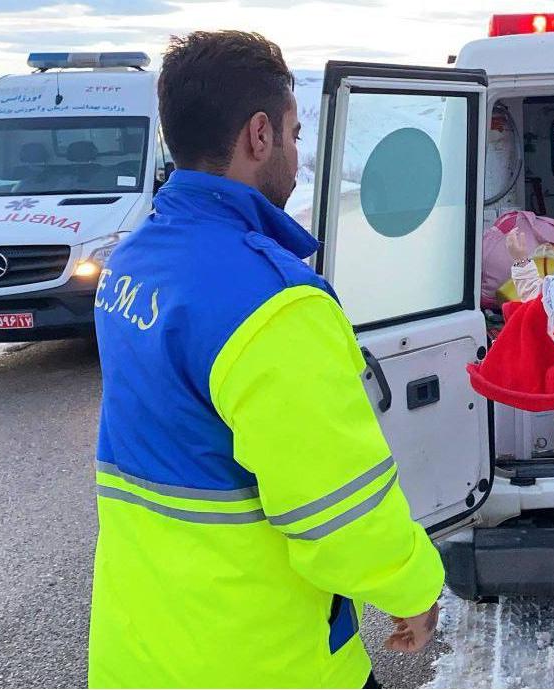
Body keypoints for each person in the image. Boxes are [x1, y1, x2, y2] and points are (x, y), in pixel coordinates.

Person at [88, 31, 442, 688]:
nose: (296, 153)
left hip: (137, 652)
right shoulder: (273, 305)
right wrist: (413, 588)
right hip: (260, 658)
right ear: (259, 136)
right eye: (294, 133)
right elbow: (336, 510)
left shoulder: (133, 261)